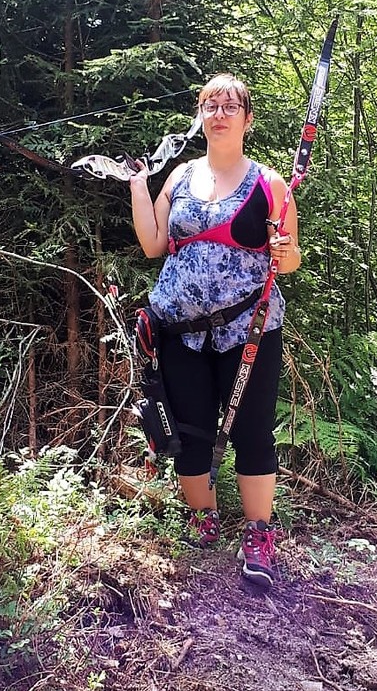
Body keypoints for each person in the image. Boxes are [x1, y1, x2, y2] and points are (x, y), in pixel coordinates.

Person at [129, 73, 301, 587]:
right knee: (189, 430)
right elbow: (153, 244)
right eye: (210, 106)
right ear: (200, 116)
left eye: (230, 107)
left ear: (247, 119)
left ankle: (258, 535)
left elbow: (290, 260)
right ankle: (201, 520)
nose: (219, 114)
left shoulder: (269, 184)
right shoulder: (180, 178)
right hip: (179, 331)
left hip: (250, 330)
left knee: (252, 430)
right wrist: (138, 188)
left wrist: (286, 251)